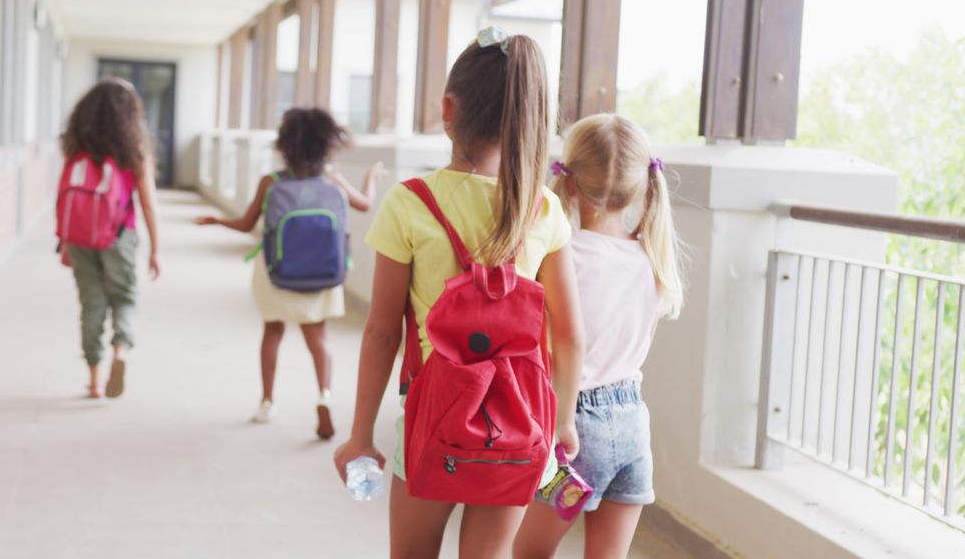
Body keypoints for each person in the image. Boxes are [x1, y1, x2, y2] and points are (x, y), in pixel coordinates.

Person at [332, 27, 585, 558]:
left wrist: (360, 437)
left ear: (449, 109)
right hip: (519, 425)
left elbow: (380, 332)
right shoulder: (543, 211)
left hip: (433, 421)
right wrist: (561, 422)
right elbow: (569, 336)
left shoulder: (411, 202)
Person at [513, 114, 686, 559]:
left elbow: (544, 341)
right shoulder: (652, 259)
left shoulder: (562, 254)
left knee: (528, 552)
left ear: (569, 185)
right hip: (632, 423)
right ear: (643, 187)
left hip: (574, 429)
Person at [196, 107, 381, 439]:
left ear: (285, 145)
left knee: (273, 333)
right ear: (324, 145)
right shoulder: (331, 179)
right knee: (318, 338)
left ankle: (267, 401)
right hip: (322, 273)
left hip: (276, 272)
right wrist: (371, 178)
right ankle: (324, 395)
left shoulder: (271, 182)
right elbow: (365, 205)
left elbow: (245, 224)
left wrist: (214, 220)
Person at [58, 79, 162, 400]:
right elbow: (147, 202)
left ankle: (94, 380)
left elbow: (63, 195)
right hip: (120, 236)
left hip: (78, 238)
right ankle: (120, 351)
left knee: (92, 304)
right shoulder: (134, 150)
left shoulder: (77, 147)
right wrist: (156, 249)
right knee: (126, 297)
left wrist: (63, 239)